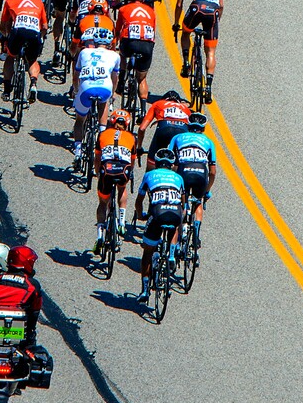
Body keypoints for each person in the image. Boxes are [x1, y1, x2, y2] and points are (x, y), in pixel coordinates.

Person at [132, 147, 185, 305]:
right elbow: (183, 203)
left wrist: (141, 215)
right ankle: (171, 255)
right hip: (175, 213)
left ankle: (145, 290)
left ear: (157, 163)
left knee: (147, 253)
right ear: (171, 165)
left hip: (157, 213)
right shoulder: (178, 177)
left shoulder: (149, 175)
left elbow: (139, 201)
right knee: (175, 225)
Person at [172, 0, 223, 102]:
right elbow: (221, 5)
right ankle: (208, 87)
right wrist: (216, 20)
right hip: (213, 11)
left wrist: (176, 24)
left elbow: (180, 3)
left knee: (186, 32)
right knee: (211, 51)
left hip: (198, 7)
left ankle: (186, 63)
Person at [169, 112, 216, 245]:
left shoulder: (177, 137)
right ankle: (196, 233)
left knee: (180, 201)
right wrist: (207, 190)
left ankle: (181, 227)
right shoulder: (208, 141)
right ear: (203, 128)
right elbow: (212, 171)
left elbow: (170, 162)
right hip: (201, 173)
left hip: (183, 171)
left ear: (188, 125)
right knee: (198, 201)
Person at [92, 110, 136, 254]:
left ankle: (99, 236)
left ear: (112, 121)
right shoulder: (131, 137)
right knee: (122, 188)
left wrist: (98, 174)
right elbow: (132, 160)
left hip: (107, 168)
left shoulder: (103, 135)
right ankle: (122, 222)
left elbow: (97, 159)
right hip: (123, 169)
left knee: (103, 203)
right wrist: (130, 173)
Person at [71, 41, 120, 167]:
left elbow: (76, 76)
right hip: (105, 88)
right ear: (109, 45)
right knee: (104, 101)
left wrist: (76, 91)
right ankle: (102, 132)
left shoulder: (84, 52)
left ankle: (78, 151)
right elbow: (115, 79)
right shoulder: (115, 55)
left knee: (80, 120)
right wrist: (113, 94)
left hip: (86, 88)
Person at [0, 0, 47, 103]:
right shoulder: (39, 3)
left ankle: (7, 90)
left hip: (18, 32)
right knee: (32, 61)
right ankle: (33, 84)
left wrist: (6, 38)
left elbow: (3, 25)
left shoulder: (10, 1)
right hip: (34, 33)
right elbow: (45, 27)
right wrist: (40, 39)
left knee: (10, 57)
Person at [115, 0, 157, 106]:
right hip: (147, 45)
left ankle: (122, 79)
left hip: (130, 43)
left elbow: (118, 30)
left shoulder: (123, 9)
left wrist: (115, 44)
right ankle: (143, 108)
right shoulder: (151, 11)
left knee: (122, 54)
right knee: (142, 78)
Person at [137, 89, 192, 171]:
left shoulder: (158, 103)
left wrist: (139, 147)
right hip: (182, 132)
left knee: (151, 164)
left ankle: (150, 178)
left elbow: (142, 128)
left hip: (164, 129)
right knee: (178, 163)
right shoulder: (185, 108)